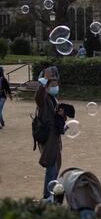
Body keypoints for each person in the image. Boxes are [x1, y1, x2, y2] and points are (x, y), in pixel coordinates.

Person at [35, 72, 62, 201]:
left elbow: (56, 118)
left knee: (56, 166)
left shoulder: (55, 99)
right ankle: (47, 196)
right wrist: (44, 81)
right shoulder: (44, 99)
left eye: (57, 85)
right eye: (53, 85)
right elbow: (38, 97)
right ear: (47, 87)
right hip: (47, 137)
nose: (55, 87)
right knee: (51, 166)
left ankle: (49, 194)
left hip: (55, 138)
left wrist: (62, 117)